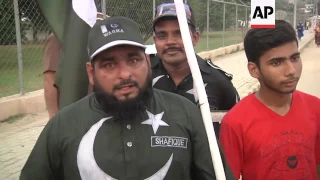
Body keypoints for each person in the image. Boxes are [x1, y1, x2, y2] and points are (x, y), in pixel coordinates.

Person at [20, 16, 235, 180]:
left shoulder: (185, 113)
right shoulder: (63, 125)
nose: (124, 74)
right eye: (109, 64)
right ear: (91, 73)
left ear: (148, 62)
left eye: (133, 60)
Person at [219, 20, 320, 180]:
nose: (291, 71)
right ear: (254, 69)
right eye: (277, 62)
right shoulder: (235, 123)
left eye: (294, 58)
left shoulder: (316, 108)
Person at [150, 3, 239, 138]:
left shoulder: (217, 80)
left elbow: (237, 128)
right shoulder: (143, 77)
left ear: (195, 38)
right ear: (155, 40)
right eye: (162, 36)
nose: (170, 42)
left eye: (180, 33)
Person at [43, 12, 106, 119]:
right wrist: (53, 116)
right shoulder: (59, 36)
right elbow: (50, 78)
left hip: (99, 107)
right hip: (71, 108)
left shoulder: (100, 30)